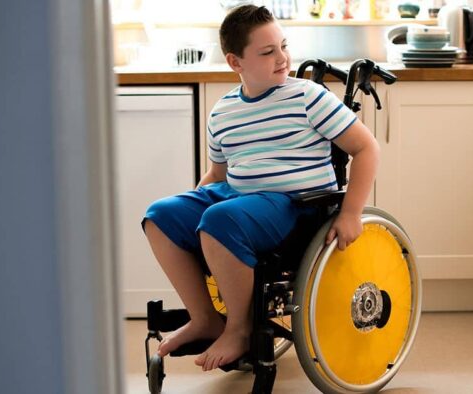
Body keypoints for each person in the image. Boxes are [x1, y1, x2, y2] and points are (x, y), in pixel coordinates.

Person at [141, 4, 380, 372]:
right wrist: (187, 213)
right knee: (160, 215)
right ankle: (205, 317)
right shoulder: (223, 111)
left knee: (221, 219)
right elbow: (217, 176)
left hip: (296, 205)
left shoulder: (307, 97)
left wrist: (350, 213)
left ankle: (239, 329)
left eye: (284, 46)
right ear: (236, 62)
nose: (283, 58)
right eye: (268, 52)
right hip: (240, 200)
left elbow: (366, 148)